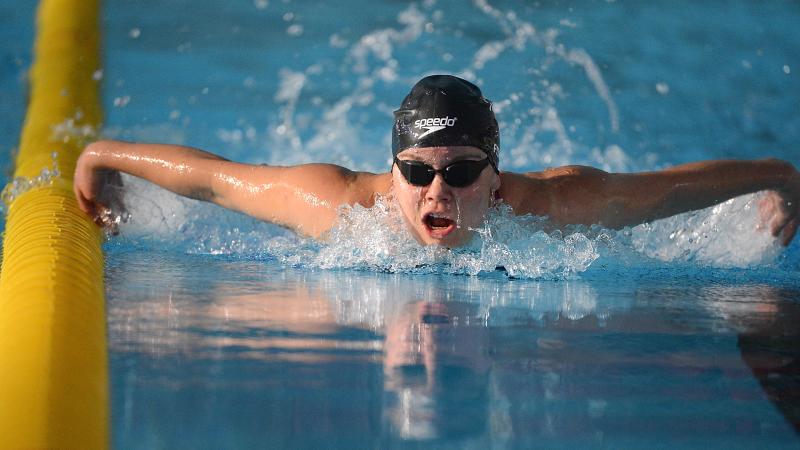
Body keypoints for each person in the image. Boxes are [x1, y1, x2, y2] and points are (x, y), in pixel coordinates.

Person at [73, 75, 800, 247]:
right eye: (417, 171)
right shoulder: (339, 205)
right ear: (391, 171)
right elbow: (210, 176)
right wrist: (102, 155)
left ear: (496, 175)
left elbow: (673, 189)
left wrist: (780, 175)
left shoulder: (552, 206)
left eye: (459, 171)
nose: (436, 189)